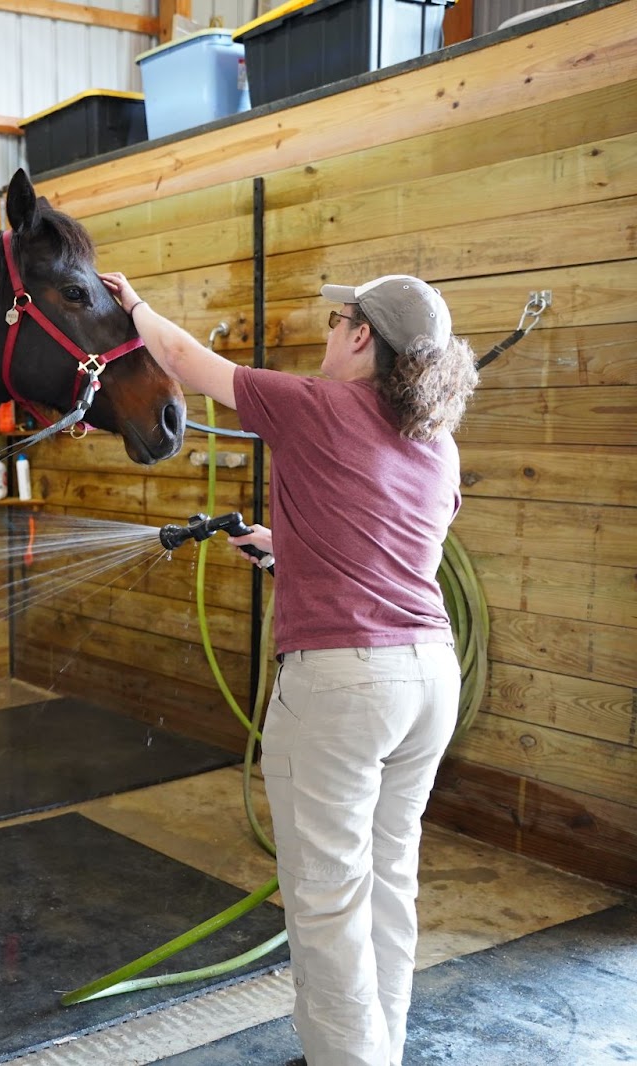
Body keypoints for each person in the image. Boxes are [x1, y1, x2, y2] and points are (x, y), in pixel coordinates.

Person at [100, 271, 479, 1066]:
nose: (329, 333)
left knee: (327, 897)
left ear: (363, 336)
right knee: (388, 880)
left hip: (345, 686)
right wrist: (285, 549)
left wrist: (132, 305)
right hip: (429, 679)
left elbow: (183, 358)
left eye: (338, 321)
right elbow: (389, 550)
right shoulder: (438, 445)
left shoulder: (317, 405)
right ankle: (380, 1051)